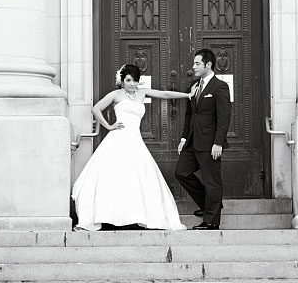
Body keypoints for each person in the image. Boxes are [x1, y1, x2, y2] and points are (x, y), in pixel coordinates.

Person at [72, 63, 192, 231]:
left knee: (137, 178)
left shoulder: (142, 93)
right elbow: (96, 108)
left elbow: (164, 94)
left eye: (135, 80)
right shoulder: (115, 94)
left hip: (135, 140)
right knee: (114, 177)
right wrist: (108, 126)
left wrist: (188, 95)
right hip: (118, 139)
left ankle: (135, 216)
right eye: (128, 80)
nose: (132, 84)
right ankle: (108, 216)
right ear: (122, 81)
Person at [175, 48, 232, 230]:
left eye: (197, 63)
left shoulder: (220, 87)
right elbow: (190, 114)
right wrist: (183, 138)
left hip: (210, 142)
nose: (194, 67)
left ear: (208, 65)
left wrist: (218, 142)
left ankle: (211, 221)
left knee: (211, 181)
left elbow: (224, 117)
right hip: (192, 141)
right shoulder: (193, 85)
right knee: (181, 172)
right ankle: (209, 206)